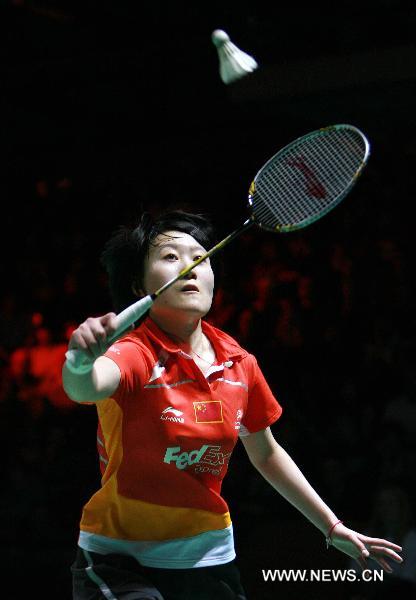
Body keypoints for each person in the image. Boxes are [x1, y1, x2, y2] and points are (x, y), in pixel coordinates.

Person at [62, 210, 403, 600]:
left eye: (201, 257)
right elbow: (85, 388)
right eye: (171, 256)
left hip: (207, 557)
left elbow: (267, 453)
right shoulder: (136, 351)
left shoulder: (239, 364)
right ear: (140, 284)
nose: (190, 264)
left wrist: (331, 526)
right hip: (120, 557)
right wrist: (79, 361)